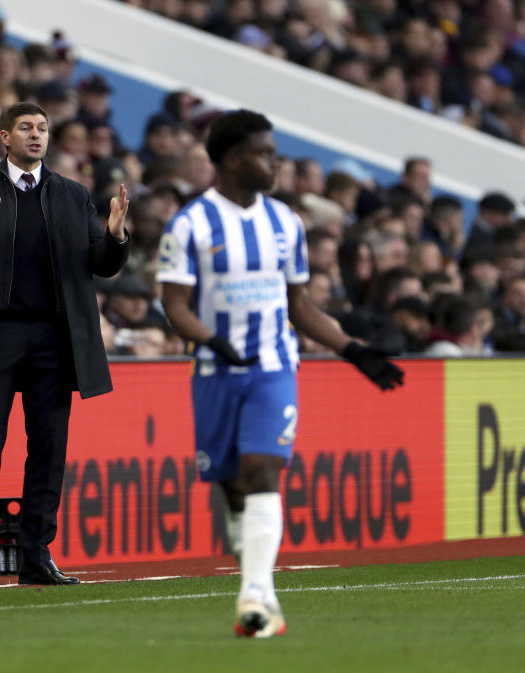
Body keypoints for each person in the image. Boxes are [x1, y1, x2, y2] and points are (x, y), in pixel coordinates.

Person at [156, 110, 403, 639]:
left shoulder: (285, 222)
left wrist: (351, 348)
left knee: (264, 470)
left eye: (275, 152)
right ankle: (261, 590)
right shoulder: (190, 224)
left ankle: (253, 596)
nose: (275, 162)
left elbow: (300, 305)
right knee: (234, 491)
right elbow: (173, 304)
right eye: (264, 153)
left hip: (273, 367)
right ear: (230, 160)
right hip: (215, 371)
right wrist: (209, 338)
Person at [0, 101, 130, 588]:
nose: (36, 135)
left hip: (52, 339)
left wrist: (115, 236)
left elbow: (102, 264)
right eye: (25, 127)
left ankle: (36, 555)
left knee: (48, 449)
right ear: (5, 137)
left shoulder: (71, 195)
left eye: (42, 128)